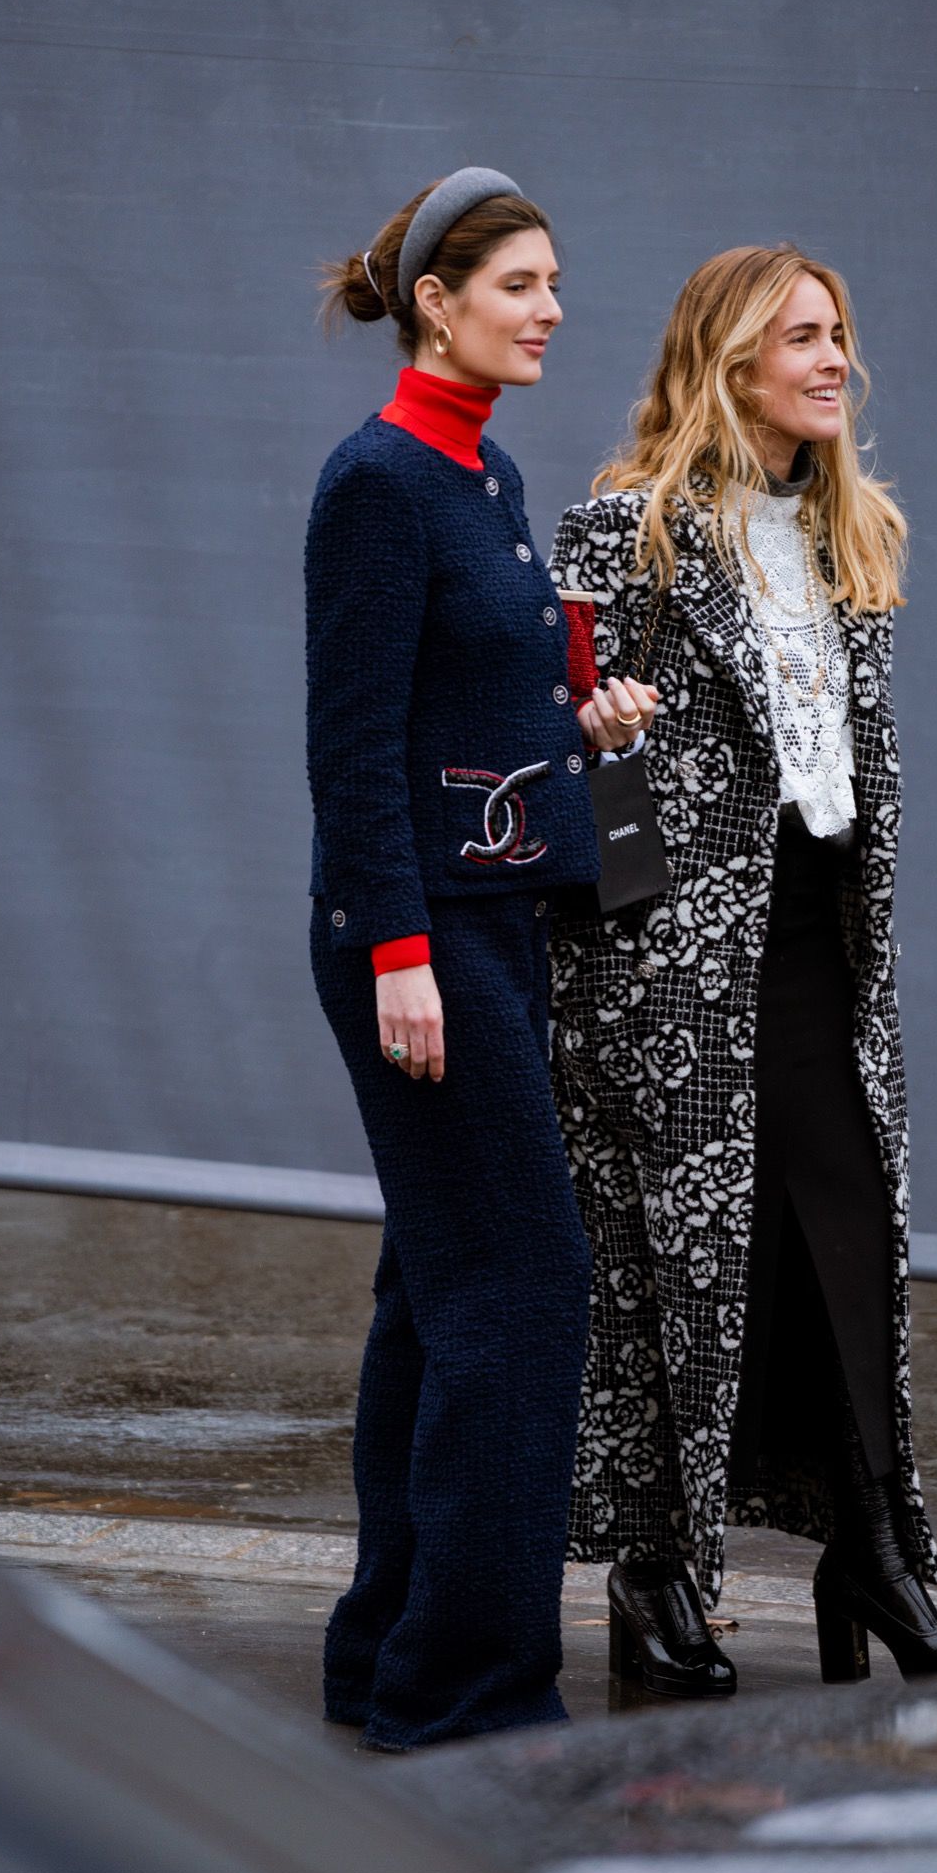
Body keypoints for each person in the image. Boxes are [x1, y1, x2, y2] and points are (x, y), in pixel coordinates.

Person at [546, 244, 937, 1693]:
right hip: (671, 969)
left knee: (847, 1253)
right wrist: (591, 739)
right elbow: (546, 734)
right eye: (801, 336)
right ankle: (656, 1571)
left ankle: (870, 1555)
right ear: (728, 359)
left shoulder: (851, 532)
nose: (833, 360)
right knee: (683, 1273)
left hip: (818, 950)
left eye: (838, 334)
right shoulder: (626, 530)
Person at [304, 168, 655, 1751]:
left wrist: (583, 725)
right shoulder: (379, 482)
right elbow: (352, 746)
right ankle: (468, 1692)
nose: (551, 309)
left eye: (555, 282)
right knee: (521, 1286)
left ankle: (385, 1653)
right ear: (435, 303)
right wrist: (396, 953)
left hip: (493, 921)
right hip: (419, 937)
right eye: (520, 283)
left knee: (437, 1293)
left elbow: (467, 707)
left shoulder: (485, 471)